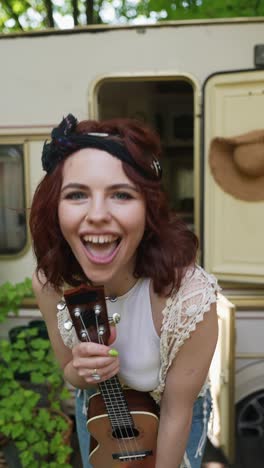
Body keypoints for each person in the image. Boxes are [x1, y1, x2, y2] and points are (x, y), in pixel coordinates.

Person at [29, 114, 219, 468]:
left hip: (172, 415)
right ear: (54, 208)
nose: (97, 214)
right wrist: (81, 370)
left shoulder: (189, 298)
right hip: (102, 412)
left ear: (149, 209)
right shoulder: (50, 283)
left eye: (121, 194)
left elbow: (178, 410)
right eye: (77, 195)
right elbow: (69, 372)